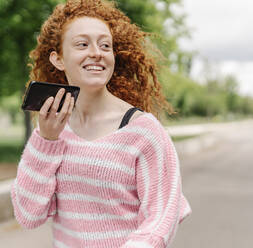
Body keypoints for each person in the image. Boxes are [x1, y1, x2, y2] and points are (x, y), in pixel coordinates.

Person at [11, 0, 191, 247]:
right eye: (82, 44)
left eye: (105, 45)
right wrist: (46, 141)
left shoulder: (144, 132)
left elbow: (162, 217)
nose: (96, 52)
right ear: (58, 59)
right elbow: (29, 215)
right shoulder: (52, 128)